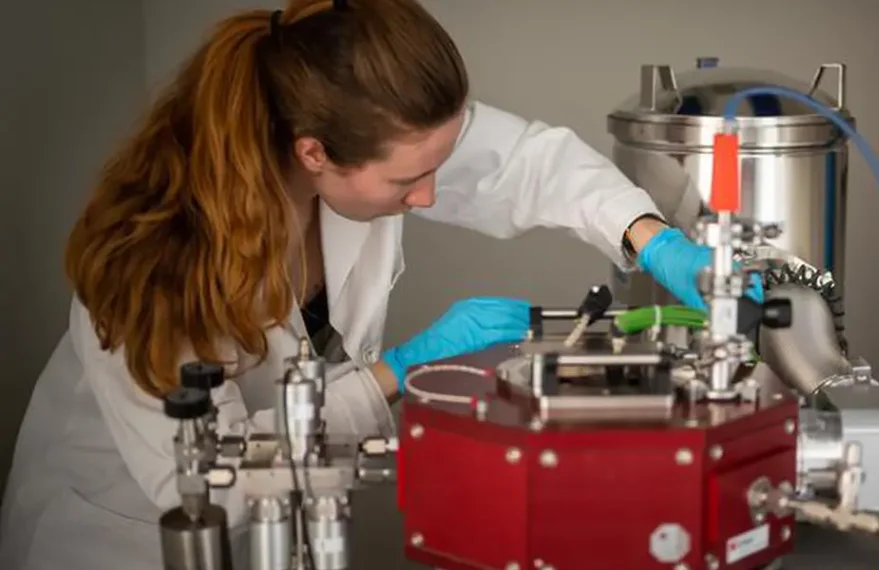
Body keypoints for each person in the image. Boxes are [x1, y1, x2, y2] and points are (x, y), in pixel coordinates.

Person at [0, 0, 764, 568]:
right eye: (410, 178)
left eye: (439, 163)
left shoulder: (367, 132)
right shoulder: (152, 263)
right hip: (118, 539)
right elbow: (207, 479)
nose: (430, 195)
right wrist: (395, 372)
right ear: (312, 154)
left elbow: (529, 164)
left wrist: (653, 238)